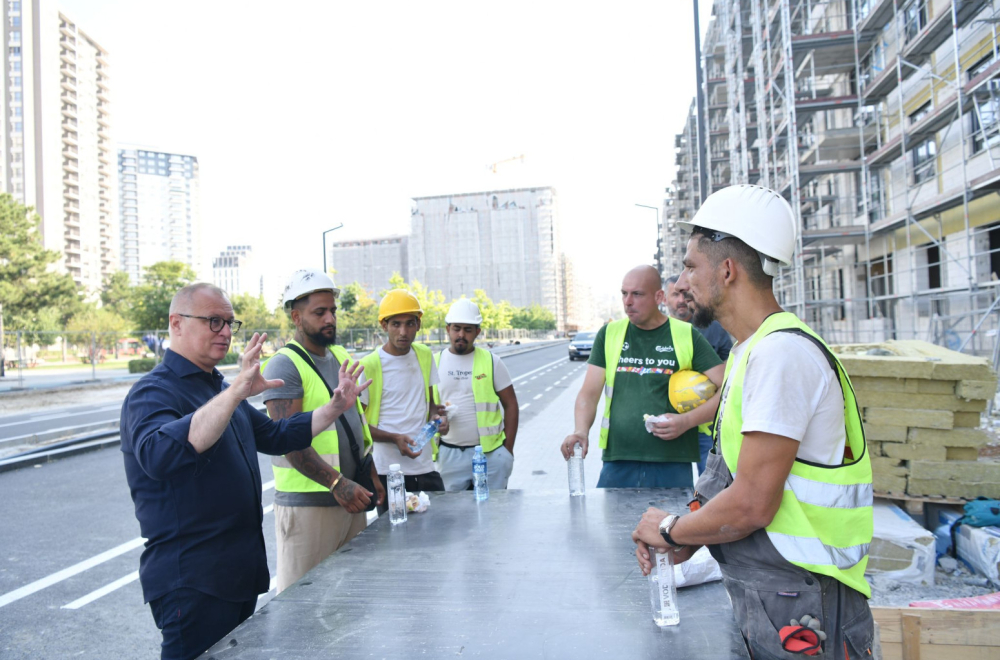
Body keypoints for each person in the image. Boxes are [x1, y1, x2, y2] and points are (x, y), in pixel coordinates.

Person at [631, 184, 875, 659]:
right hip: (778, 596)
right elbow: (731, 481)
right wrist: (691, 537)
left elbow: (752, 505)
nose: (681, 283)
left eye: (690, 266)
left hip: (810, 605)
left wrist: (670, 529)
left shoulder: (781, 354)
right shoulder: (752, 351)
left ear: (727, 270)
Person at [120, 283, 370, 660]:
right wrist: (235, 392)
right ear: (176, 323)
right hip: (192, 580)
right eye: (214, 321)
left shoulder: (218, 389)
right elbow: (159, 455)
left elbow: (274, 435)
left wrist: (334, 408)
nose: (224, 332)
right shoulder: (152, 393)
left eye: (229, 323)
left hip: (235, 575)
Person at [261, 269, 384, 594]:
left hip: (350, 497)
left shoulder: (341, 356)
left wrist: (368, 473)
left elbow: (356, 425)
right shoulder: (284, 365)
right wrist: (336, 483)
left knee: (350, 601)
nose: (330, 318)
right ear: (297, 317)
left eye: (333, 310)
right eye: (320, 312)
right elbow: (287, 441)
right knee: (303, 603)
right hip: (309, 506)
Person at [559, 265, 725, 488]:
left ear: (659, 297)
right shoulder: (609, 334)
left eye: (637, 294)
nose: (628, 301)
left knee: (668, 523)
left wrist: (686, 421)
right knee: (609, 523)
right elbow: (588, 394)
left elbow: (728, 389)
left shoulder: (686, 335)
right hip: (618, 461)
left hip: (673, 463)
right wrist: (581, 430)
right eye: (624, 294)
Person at [360, 289, 448, 513]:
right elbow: (357, 425)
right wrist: (394, 438)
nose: (403, 331)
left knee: (438, 537)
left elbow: (428, 403)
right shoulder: (369, 365)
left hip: (426, 467)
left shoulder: (424, 355)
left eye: (410, 323)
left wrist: (436, 419)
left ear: (419, 324)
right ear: (384, 326)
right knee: (396, 543)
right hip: (388, 472)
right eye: (395, 324)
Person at [434, 298, 518, 490]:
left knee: (493, 516)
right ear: (447, 329)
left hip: (490, 455)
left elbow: (511, 404)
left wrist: (507, 451)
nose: (461, 334)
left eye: (468, 329)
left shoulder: (491, 361)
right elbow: (426, 407)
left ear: (477, 332)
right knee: (454, 517)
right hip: (448, 455)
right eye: (456, 328)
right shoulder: (434, 363)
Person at [665, 273, 733, 474]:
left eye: (685, 294)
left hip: (706, 427)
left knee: (711, 486)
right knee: (673, 491)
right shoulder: (660, 331)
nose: (681, 300)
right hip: (671, 425)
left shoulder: (713, 328)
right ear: (664, 298)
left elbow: (731, 363)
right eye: (675, 295)